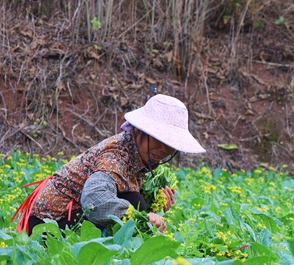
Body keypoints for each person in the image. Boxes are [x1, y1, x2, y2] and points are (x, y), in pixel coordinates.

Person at [12, 94, 205, 236]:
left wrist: (156, 202)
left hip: (63, 219)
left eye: (170, 143)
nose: (163, 148)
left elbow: (124, 189)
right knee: (135, 205)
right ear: (140, 131)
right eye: (158, 138)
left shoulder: (137, 153)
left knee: (137, 201)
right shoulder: (115, 157)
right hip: (46, 226)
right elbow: (94, 199)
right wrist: (142, 217)